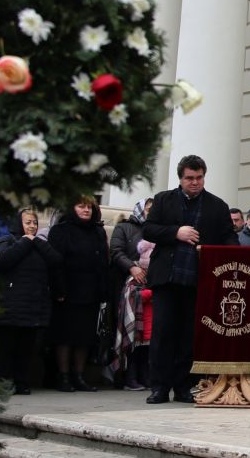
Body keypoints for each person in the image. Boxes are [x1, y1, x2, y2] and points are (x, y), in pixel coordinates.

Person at [141, 155, 240, 404]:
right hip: (167, 278)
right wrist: (176, 232)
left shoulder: (217, 206)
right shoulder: (164, 200)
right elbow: (149, 229)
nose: (195, 182)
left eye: (199, 178)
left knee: (189, 336)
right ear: (181, 179)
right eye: (189, 178)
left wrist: (240, 255)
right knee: (163, 334)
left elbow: (228, 238)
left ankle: (185, 387)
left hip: (198, 280)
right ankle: (159, 388)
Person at [0, 208, 61, 395]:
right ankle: (3, 383)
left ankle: (22, 382)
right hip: (10, 306)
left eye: (34, 223)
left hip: (33, 307)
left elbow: (55, 260)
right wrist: (25, 242)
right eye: (28, 222)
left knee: (26, 349)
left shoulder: (40, 244)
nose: (32, 226)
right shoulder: (9, 241)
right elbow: (2, 261)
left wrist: (36, 241)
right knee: (6, 349)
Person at [47, 197, 110, 392]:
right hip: (67, 291)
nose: (86, 210)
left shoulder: (97, 232)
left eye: (89, 207)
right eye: (81, 206)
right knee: (65, 335)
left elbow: (103, 263)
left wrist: (103, 291)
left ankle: (79, 376)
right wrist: (59, 289)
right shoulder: (60, 231)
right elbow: (55, 263)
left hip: (90, 291)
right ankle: (63, 376)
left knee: (85, 336)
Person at [110, 197, 153, 389]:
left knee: (148, 335)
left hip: (151, 287)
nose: (151, 212)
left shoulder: (157, 229)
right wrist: (132, 268)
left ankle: (144, 374)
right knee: (132, 332)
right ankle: (128, 375)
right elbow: (116, 251)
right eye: (149, 209)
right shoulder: (124, 228)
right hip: (129, 287)